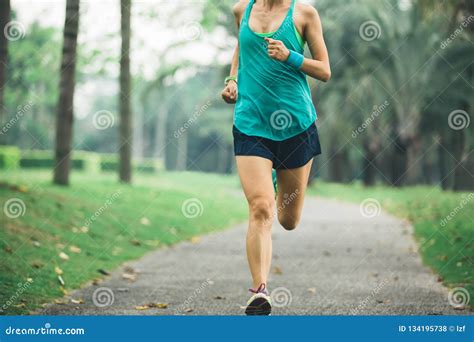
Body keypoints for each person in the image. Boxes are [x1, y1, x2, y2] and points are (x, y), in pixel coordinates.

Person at [221, 0, 331, 315]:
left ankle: (274, 182)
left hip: (295, 125)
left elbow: (324, 70)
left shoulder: (304, 14)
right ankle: (260, 291)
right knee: (260, 208)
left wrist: (290, 56)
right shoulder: (241, 10)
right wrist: (232, 81)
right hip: (251, 123)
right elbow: (241, 51)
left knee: (287, 219)